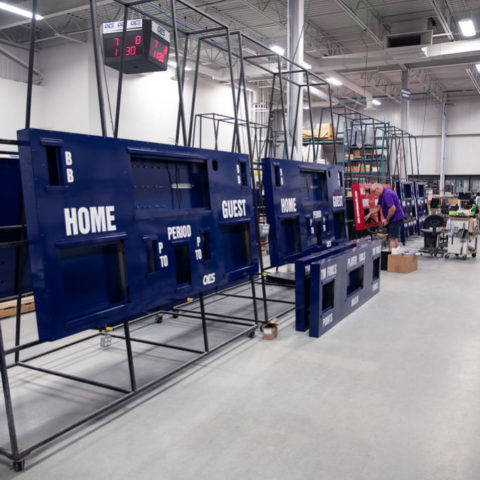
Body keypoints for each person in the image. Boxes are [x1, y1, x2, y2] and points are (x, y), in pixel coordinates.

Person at [365, 183, 405, 250]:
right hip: (394, 218)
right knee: (394, 237)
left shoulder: (387, 194)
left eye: (374, 192)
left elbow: (392, 209)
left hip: (395, 218)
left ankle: (391, 257)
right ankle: (396, 256)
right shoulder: (382, 194)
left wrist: (387, 219)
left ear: (378, 189)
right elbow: (378, 207)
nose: (374, 194)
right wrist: (369, 214)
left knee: (391, 239)